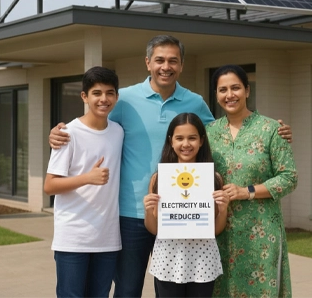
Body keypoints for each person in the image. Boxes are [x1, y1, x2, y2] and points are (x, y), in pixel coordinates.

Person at [48, 35, 292, 298]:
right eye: (160, 60)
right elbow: (96, 123)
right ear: (148, 63)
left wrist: (272, 130)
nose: (166, 66)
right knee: (128, 290)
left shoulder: (195, 102)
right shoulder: (124, 99)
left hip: (184, 215)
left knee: (172, 289)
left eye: (173, 61)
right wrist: (59, 133)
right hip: (132, 214)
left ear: (182, 65)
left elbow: (219, 134)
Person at [205, 64, 298, 298]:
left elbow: (289, 177)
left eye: (235, 88)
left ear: (247, 90)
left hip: (261, 231)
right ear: (216, 95)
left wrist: (246, 191)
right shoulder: (208, 133)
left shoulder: (271, 129)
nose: (229, 95)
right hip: (219, 230)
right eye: (222, 90)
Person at [44, 66, 124, 298]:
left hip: (107, 238)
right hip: (73, 238)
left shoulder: (118, 131)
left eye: (110, 93)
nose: (104, 99)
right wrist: (86, 178)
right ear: (84, 96)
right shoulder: (68, 133)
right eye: (97, 93)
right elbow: (50, 185)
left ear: (116, 97)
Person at [143, 112, 229, 298]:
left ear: (201, 141)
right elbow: (153, 228)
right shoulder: (158, 179)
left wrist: (222, 211)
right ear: (171, 141)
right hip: (168, 259)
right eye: (179, 138)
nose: (186, 144)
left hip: (203, 260)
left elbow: (215, 230)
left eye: (192, 138)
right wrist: (149, 210)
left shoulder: (214, 179)